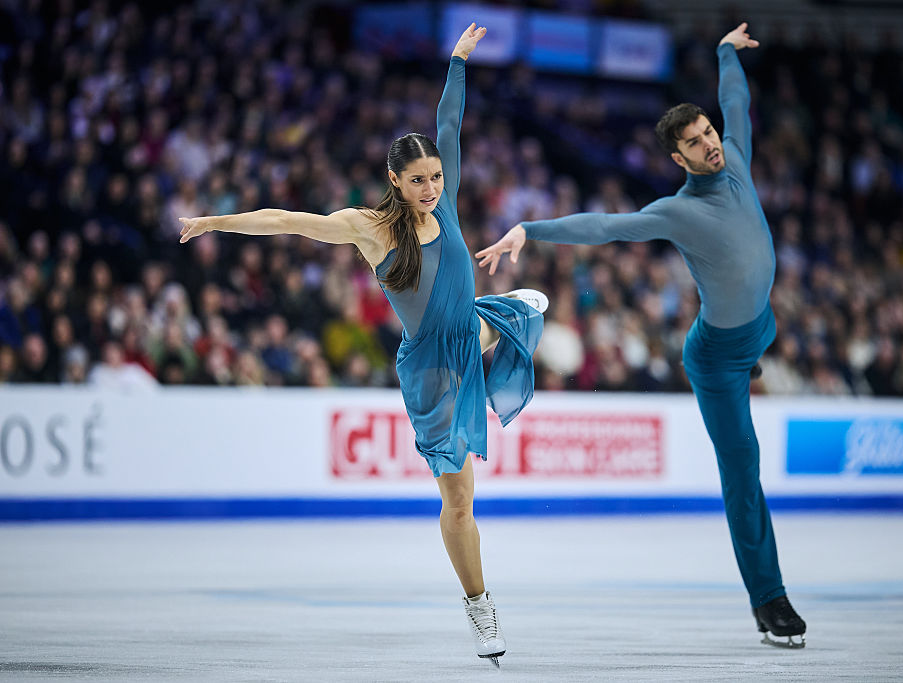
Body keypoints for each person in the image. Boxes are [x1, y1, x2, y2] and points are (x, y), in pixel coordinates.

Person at [179, 24, 546, 666]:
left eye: (436, 177)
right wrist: (215, 220)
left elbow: (450, 123)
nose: (431, 188)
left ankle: (505, 317)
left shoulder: (448, 204)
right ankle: (478, 604)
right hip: (431, 369)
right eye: (419, 180)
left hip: (467, 333)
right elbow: (287, 221)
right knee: (459, 500)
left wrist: (457, 62)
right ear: (394, 180)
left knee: (517, 310)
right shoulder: (369, 228)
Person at [476, 23, 807, 648]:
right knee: (743, 467)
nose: (709, 143)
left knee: (760, 326)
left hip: (759, 327)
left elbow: (735, 101)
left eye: (707, 132)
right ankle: (770, 599)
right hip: (716, 357)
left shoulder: (736, 158)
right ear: (678, 159)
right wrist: (531, 230)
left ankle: (755, 356)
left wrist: (725, 52)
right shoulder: (679, 211)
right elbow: (605, 227)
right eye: (694, 142)